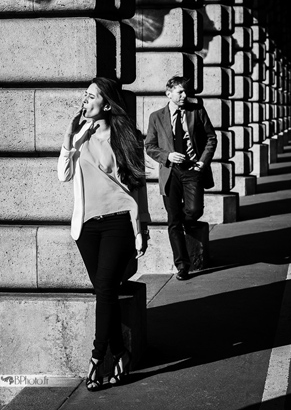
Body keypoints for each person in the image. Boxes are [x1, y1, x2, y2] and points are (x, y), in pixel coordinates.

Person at [58, 77, 151, 391]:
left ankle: (97, 358)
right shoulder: (80, 135)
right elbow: (63, 175)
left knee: (106, 288)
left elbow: (137, 187)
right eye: (85, 94)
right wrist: (70, 139)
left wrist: (141, 231)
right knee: (104, 292)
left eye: (92, 95)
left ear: (107, 104)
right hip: (86, 227)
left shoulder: (126, 137)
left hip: (118, 223)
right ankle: (121, 353)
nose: (86, 99)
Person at [144, 76, 217, 281]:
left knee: (195, 210)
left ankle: (187, 223)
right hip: (170, 172)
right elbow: (149, 146)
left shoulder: (197, 112)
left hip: (193, 169)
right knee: (173, 221)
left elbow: (211, 138)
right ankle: (182, 265)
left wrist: (203, 161)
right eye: (180, 92)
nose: (185, 96)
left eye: (186, 92)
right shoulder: (156, 117)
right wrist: (167, 156)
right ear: (169, 94)